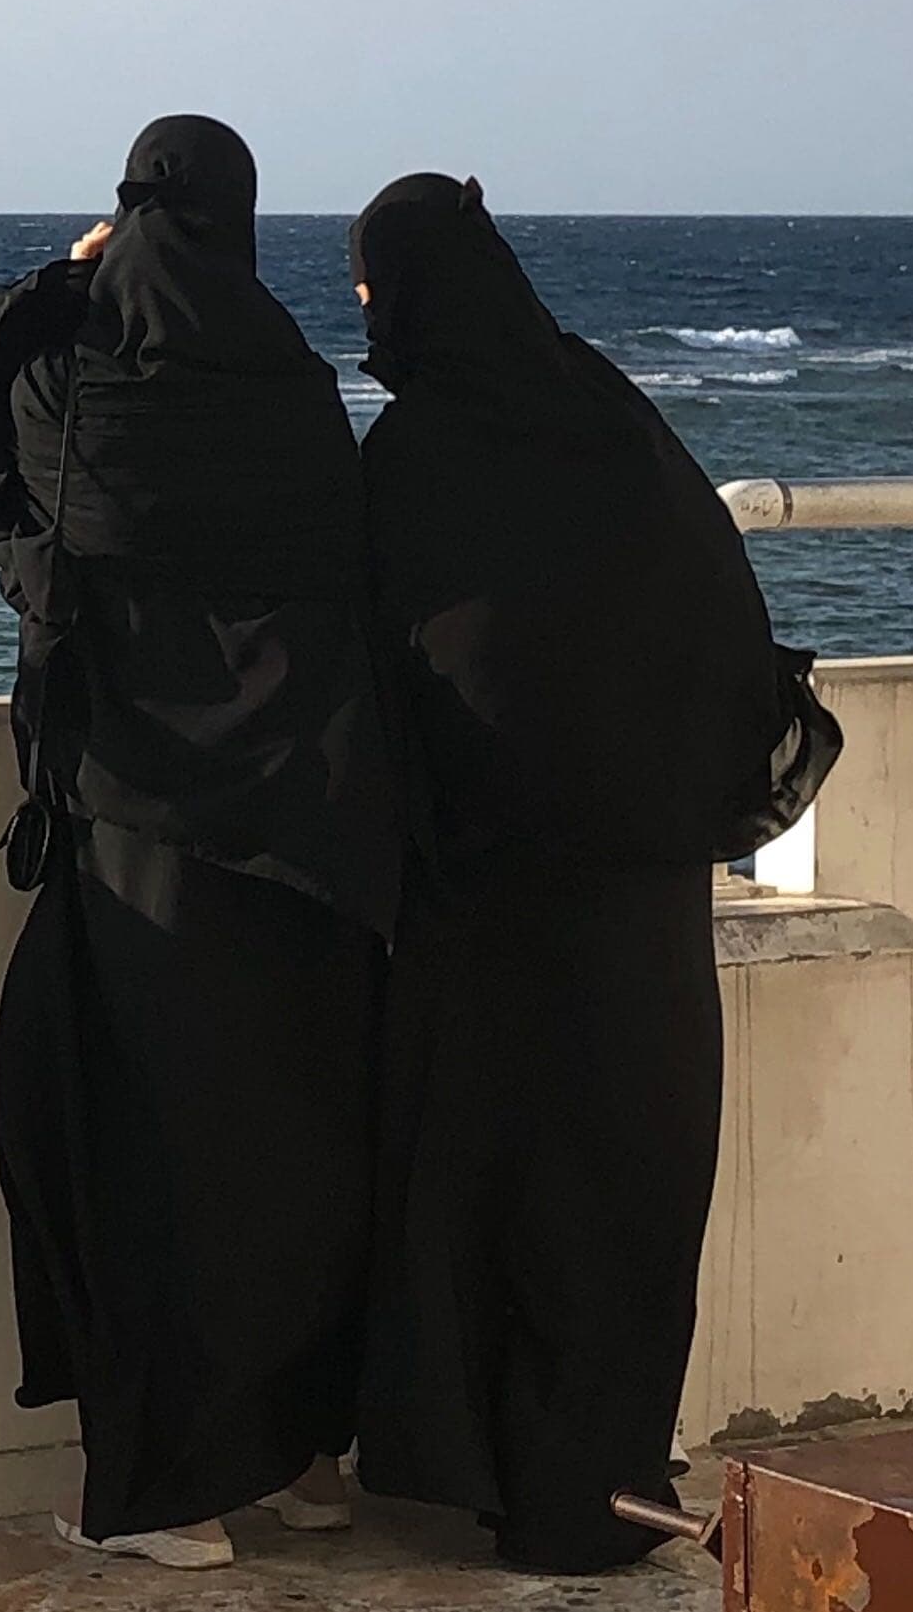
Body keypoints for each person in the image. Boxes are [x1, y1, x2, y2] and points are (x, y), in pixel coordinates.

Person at [348, 173, 830, 1573]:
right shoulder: (610, 413)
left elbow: (393, 657)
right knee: (620, 1191)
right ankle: (600, 1483)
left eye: (374, 291)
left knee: (489, 1186)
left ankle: (504, 1476)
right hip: (642, 899)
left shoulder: (419, 451)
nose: (371, 316)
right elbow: (710, 603)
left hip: (494, 896)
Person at [0, 115, 402, 1570]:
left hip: (141, 824)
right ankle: (307, 1456)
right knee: (299, 1144)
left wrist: (66, 274)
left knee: (137, 1149)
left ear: (128, 214)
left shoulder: (79, 387)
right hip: (313, 827)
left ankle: (165, 1489)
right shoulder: (297, 389)